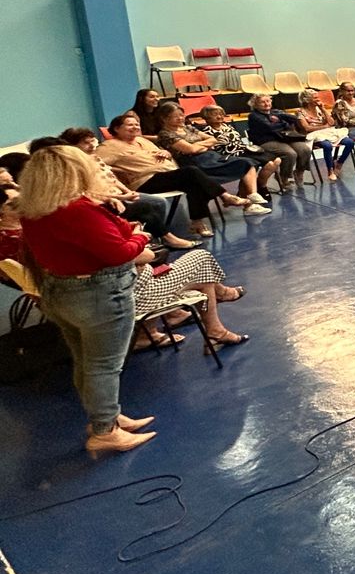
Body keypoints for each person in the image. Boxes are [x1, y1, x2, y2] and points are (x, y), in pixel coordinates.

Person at [16, 145, 158, 455]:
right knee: (104, 365)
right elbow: (120, 250)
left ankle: (104, 418)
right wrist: (141, 237)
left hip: (59, 292)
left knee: (86, 361)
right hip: (98, 294)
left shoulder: (32, 209)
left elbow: (118, 228)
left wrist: (107, 209)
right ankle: (106, 430)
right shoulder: (77, 210)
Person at [58, 128, 199, 246]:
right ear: (73, 146)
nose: (90, 145)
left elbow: (112, 178)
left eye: (91, 141)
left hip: (118, 193)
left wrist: (127, 191)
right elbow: (88, 193)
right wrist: (120, 196)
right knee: (147, 206)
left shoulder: (95, 158)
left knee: (158, 202)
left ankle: (155, 238)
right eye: (84, 143)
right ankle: (163, 239)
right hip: (105, 200)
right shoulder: (75, 166)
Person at [99, 112, 249, 222]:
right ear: (117, 128)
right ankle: (225, 196)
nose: (135, 127)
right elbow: (94, 163)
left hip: (167, 175)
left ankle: (197, 223)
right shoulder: (109, 146)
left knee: (193, 184)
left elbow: (161, 153)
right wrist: (119, 171)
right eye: (130, 124)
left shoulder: (142, 140)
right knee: (191, 172)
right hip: (145, 181)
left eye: (136, 124)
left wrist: (166, 153)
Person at [153, 102, 277, 207]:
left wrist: (199, 146)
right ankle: (248, 203)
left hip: (212, 157)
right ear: (165, 119)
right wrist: (203, 146)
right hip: (196, 163)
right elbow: (190, 150)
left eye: (181, 115)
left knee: (247, 163)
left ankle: (252, 196)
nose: (181, 118)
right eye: (176, 117)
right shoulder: (165, 134)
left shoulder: (188, 128)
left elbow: (213, 139)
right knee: (245, 163)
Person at [132, 245, 247, 350]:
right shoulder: (113, 233)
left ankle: (171, 319)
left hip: (130, 291)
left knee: (201, 273)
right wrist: (138, 235)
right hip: (140, 295)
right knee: (201, 258)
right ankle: (217, 320)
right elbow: (147, 255)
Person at [193, 105, 286, 187]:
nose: (219, 116)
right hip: (229, 155)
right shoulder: (205, 131)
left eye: (221, 114)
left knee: (276, 161)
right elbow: (210, 147)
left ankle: (259, 184)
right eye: (215, 115)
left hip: (244, 149)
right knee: (260, 165)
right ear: (207, 117)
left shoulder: (227, 126)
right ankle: (261, 187)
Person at [246, 93, 314, 190]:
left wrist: (280, 118)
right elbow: (270, 128)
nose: (266, 104)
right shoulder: (253, 116)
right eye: (262, 102)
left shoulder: (275, 112)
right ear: (255, 104)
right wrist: (282, 122)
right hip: (267, 141)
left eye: (268, 101)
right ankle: (284, 178)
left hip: (284, 138)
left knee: (304, 149)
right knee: (290, 153)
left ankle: (299, 172)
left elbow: (294, 119)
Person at [296, 88, 355, 177]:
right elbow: (306, 128)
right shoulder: (300, 112)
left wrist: (323, 109)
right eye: (315, 98)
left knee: (350, 142)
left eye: (318, 98)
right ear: (307, 100)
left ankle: (339, 163)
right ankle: (330, 170)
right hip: (313, 135)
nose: (318, 100)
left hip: (327, 132)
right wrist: (323, 126)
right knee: (327, 146)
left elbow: (331, 123)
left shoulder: (319, 109)